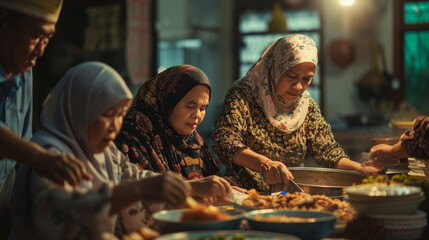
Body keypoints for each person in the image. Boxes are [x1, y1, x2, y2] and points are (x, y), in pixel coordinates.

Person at [9, 62, 191, 239]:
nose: (115, 126)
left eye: (120, 115)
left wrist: (190, 187)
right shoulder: (48, 157)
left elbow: (131, 177)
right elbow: (61, 214)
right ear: (79, 109)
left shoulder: (105, 151)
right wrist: (136, 190)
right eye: (107, 115)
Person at [211, 34, 383, 194]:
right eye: (292, 76)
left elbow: (327, 149)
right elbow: (225, 142)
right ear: (275, 68)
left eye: (306, 79)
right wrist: (265, 164)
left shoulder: (305, 105)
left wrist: (359, 169)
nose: (299, 87)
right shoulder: (244, 95)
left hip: (288, 194)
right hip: (247, 194)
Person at [0, 0, 90, 207]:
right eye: (35, 36)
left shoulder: (24, 74)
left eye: (47, 38)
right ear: (3, 24)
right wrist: (41, 159)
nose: (40, 51)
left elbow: (23, 143)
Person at [115, 65, 232, 204]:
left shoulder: (193, 140)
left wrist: (226, 190)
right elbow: (137, 197)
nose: (197, 115)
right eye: (190, 106)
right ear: (169, 101)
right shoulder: (136, 131)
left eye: (203, 108)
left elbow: (209, 183)